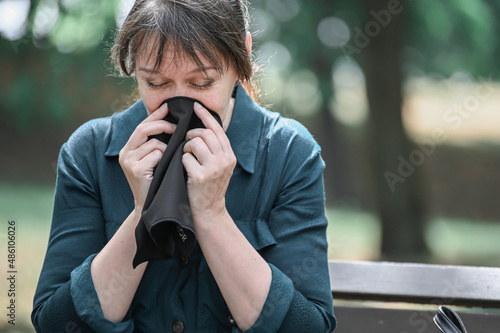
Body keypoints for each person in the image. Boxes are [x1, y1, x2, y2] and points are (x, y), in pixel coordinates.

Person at [31, 0, 337, 332]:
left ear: (243, 56)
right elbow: (55, 324)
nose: (180, 102)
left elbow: (309, 327)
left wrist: (212, 214)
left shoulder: (288, 153)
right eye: (157, 83)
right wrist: (142, 213)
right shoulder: (89, 152)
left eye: (202, 82)